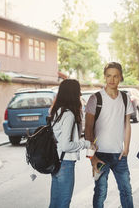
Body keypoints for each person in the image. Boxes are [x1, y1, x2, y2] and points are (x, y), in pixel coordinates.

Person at [84, 62, 134, 208]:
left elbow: (127, 125)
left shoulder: (125, 98)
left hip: (119, 155)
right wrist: (92, 158)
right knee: (100, 192)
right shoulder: (95, 99)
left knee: (126, 191)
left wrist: (126, 148)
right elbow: (88, 130)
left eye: (115, 76)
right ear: (105, 77)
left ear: (121, 78)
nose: (112, 80)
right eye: (109, 76)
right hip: (100, 155)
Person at [49, 79, 95, 208]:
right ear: (73, 94)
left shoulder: (57, 111)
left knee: (55, 203)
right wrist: (85, 144)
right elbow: (66, 145)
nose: (80, 94)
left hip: (57, 161)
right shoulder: (68, 115)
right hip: (65, 163)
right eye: (78, 91)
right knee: (63, 203)